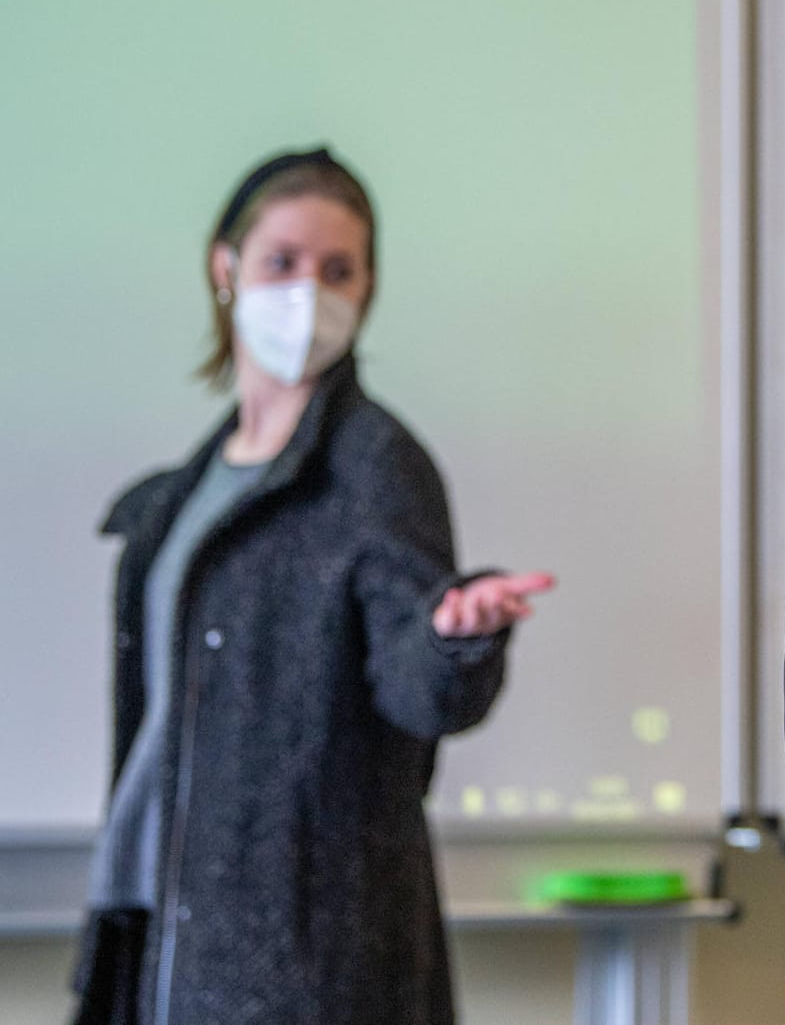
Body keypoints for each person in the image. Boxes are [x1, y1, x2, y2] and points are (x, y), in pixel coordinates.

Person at [72, 148, 554, 1025]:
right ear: (227, 270)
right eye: (282, 263)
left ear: (368, 288)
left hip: (313, 954)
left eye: (339, 270)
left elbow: (415, 686)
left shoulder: (374, 465)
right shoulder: (193, 484)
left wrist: (457, 637)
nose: (309, 294)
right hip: (159, 925)